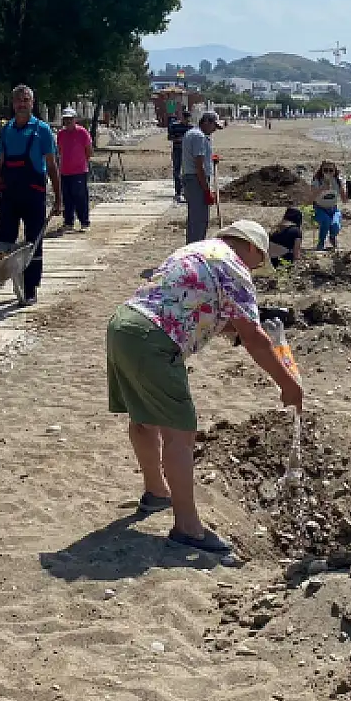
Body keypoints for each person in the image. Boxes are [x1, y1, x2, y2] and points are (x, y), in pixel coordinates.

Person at [107, 220, 304, 554]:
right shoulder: (235, 266)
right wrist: (287, 382)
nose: (257, 269)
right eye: (260, 262)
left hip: (124, 325)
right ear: (254, 248)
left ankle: (156, 491)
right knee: (180, 433)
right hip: (156, 338)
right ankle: (188, 527)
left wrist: (234, 330)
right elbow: (255, 339)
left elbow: (195, 306)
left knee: (144, 417)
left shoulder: (197, 250)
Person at [0, 85, 60, 305]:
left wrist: (59, 199)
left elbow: (52, 166)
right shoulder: (6, 130)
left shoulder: (42, 130)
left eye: (26, 100)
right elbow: (0, 164)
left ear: (32, 103)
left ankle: (31, 287)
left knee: (34, 242)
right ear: (13, 104)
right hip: (10, 194)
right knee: (4, 239)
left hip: (34, 195)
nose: (22, 104)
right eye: (18, 100)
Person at [181, 110, 220, 243]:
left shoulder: (192, 133)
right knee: (199, 219)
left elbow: (200, 158)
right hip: (196, 180)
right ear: (206, 122)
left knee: (194, 217)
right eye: (214, 125)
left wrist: (210, 158)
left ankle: (192, 246)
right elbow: (199, 166)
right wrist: (207, 190)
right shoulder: (199, 136)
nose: (215, 130)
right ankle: (195, 247)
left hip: (192, 178)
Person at [56, 107, 94, 232]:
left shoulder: (82, 132)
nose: (68, 122)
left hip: (79, 171)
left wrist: (83, 162)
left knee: (80, 197)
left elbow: (88, 150)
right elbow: (60, 151)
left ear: (75, 119)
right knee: (67, 197)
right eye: (65, 119)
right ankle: (68, 222)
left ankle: (84, 222)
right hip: (65, 171)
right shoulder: (61, 134)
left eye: (70, 119)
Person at [310, 160, 346, 250]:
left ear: (334, 171)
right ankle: (321, 243)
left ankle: (332, 238)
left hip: (333, 209)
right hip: (319, 209)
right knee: (326, 222)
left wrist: (343, 188)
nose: (328, 173)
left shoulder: (338, 181)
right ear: (321, 171)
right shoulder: (317, 181)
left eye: (331, 170)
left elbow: (345, 200)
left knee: (335, 225)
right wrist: (322, 188)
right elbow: (310, 198)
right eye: (325, 170)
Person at [167, 112, 191, 202]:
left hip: (188, 152)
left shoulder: (191, 127)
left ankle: (186, 190)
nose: (187, 122)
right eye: (186, 120)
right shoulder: (174, 126)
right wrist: (179, 139)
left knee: (187, 171)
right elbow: (169, 137)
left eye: (189, 120)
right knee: (177, 171)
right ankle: (178, 191)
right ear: (183, 118)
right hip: (177, 150)